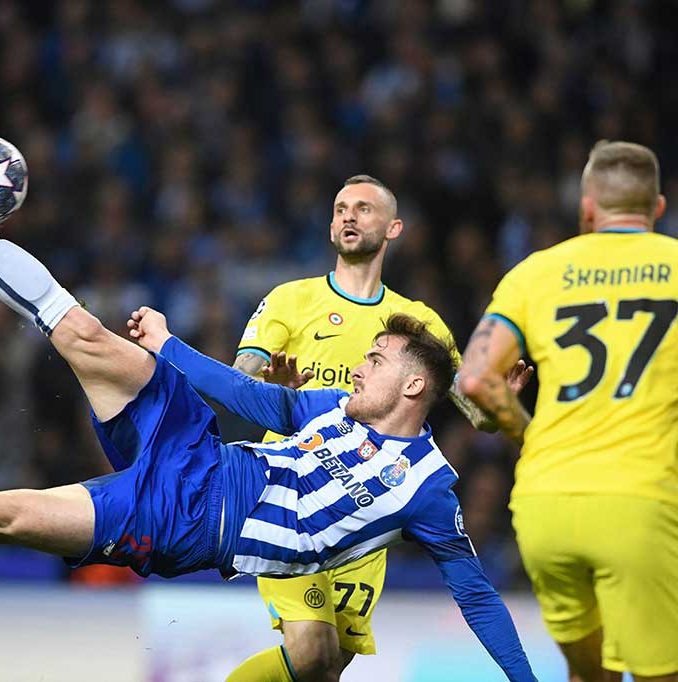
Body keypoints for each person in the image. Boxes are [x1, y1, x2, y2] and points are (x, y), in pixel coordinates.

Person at [0, 142, 539, 681]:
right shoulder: (330, 391)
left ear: (413, 387)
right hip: (204, 453)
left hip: (184, 522)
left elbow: (475, 595)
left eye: (377, 361)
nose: (358, 365)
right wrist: (172, 352)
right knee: (84, 332)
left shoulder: (428, 487)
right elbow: (257, 397)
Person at [226, 175, 533, 682]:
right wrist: (274, 386)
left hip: (366, 515)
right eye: (341, 208)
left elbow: (474, 414)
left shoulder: (417, 324)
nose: (349, 215)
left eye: (363, 208)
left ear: (393, 228)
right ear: (330, 226)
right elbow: (239, 376)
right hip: (291, 496)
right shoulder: (290, 298)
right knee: (311, 652)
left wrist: (500, 405)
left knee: (325, 670)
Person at [459, 140, 678, 682]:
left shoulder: (536, 273)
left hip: (544, 505)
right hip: (641, 504)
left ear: (586, 208)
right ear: (657, 209)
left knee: (588, 673)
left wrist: (530, 435)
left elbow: (475, 380)